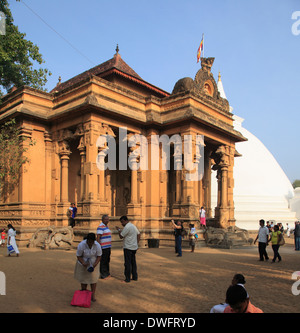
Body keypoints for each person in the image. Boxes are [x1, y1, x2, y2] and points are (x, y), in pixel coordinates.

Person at [74, 233, 102, 302]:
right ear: (87, 240)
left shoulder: (97, 245)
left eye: (92, 242)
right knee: (84, 279)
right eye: (89, 242)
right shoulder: (81, 245)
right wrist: (83, 263)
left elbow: (99, 256)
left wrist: (95, 264)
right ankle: (84, 293)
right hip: (83, 261)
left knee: (93, 279)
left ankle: (93, 294)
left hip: (93, 261)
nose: (90, 243)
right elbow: (78, 256)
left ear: (94, 241)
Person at [116, 216, 140, 283]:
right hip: (134, 247)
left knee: (127, 263)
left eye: (122, 222)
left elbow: (121, 236)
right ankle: (135, 277)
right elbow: (138, 234)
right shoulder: (133, 226)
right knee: (133, 262)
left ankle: (127, 278)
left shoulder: (127, 227)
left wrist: (119, 230)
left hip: (128, 247)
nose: (122, 223)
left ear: (125, 221)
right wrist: (137, 243)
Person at [96, 214, 112, 279]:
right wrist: (99, 246)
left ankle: (107, 273)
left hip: (108, 246)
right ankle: (103, 274)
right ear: (102, 220)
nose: (107, 220)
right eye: (106, 219)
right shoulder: (100, 227)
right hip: (103, 247)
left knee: (107, 260)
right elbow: (98, 237)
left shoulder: (106, 226)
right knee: (103, 260)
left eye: (108, 219)